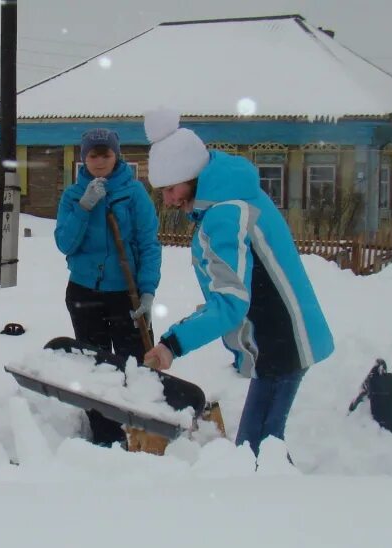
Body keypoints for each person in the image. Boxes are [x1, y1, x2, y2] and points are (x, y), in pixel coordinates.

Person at [141, 108, 335, 458]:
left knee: (257, 451)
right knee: (259, 448)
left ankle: (287, 505)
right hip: (278, 340)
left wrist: (171, 345)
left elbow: (230, 303)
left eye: (170, 189)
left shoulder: (226, 215)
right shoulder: (231, 197)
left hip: (281, 342)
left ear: (190, 175)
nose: (167, 200)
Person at [54, 128, 162, 447]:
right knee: (95, 367)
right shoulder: (73, 196)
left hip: (125, 295)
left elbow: (148, 244)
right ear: (83, 157)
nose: (100, 161)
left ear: (117, 156)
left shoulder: (133, 193)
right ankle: (105, 437)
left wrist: (148, 291)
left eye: (106, 154)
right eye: (93, 154)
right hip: (84, 293)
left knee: (136, 366)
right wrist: (84, 208)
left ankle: (140, 434)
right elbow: (64, 242)